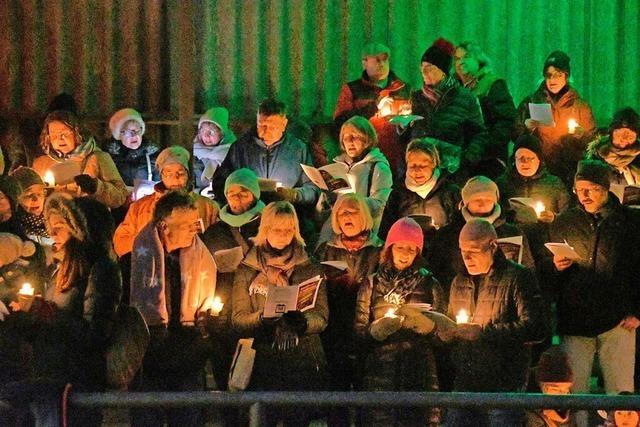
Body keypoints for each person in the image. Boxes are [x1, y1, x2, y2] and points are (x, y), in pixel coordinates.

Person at [11, 193, 122, 426]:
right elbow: (47, 329)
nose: (52, 234)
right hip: (49, 376)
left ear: (81, 229)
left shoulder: (100, 269)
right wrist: (23, 317)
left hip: (76, 381)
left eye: (60, 226)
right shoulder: (58, 269)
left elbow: (95, 333)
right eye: (50, 226)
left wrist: (45, 312)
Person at [549, 160, 640, 427]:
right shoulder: (564, 223)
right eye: (580, 189)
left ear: (606, 188)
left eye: (592, 189)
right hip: (575, 320)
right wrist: (556, 267)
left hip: (618, 320)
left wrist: (638, 310)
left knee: (621, 396)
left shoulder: (629, 223)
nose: (585, 195)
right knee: (575, 396)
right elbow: (546, 273)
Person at [440, 219, 548, 426]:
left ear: (493, 246)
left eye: (473, 250)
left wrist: (483, 333)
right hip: (465, 382)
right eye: (463, 251)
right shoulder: (459, 282)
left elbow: (536, 328)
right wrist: (446, 335)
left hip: (504, 383)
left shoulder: (517, 277)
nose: (467, 258)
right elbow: (453, 324)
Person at [232, 201, 328, 426]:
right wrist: (262, 318)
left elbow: (321, 316)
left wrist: (302, 322)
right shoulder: (249, 268)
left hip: (300, 361)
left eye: (289, 229)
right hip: (263, 362)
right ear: (265, 229)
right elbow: (237, 319)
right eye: (277, 229)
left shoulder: (309, 267)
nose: (284, 235)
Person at [129, 191, 218, 427]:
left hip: (188, 357)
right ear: (164, 226)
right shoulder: (136, 261)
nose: (194, 230)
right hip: (149, 356)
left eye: (196, 223)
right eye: (187, 225)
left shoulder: (201, 259)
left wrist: (203, 336)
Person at [355, 217, 443, 426]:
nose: (404, 254)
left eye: (411, 249)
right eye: (400, 247)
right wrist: (375, 331)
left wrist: (430, 328)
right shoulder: (371, 283)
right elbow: (358, 330)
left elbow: (445, 332)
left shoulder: (430, 283)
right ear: (390, 248)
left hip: (419, 372)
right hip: (380, 372)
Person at [315, 193, 383, 426]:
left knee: (367, 398)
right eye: (342, 212)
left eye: (353, 211)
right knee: (337, 397)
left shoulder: (379, 251)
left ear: (364, 216)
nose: (347, 216)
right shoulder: (326, 250)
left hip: (367, 329)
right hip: (335, 329)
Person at [201, 168, 264, 393]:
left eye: (243, 193)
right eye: (231, 194)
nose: (236, 199)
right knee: (223, 366)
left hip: (254, 305)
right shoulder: (216, 230)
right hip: (224, 306)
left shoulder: (266, 225)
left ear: (255, 195)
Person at [429, 175, 535, 291]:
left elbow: (528, 271)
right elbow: (437, 272)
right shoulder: (448, 234)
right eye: (476, 200)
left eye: (488, 200)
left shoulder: (512, 232)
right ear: (466, 203)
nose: (482, 204)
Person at [113, 145, 219, 258]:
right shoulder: (140, 207)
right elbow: (120, 243)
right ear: (161, 176)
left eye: (180, 172)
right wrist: (153, 241)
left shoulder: (207, 207)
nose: (175, 177)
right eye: (169, 173)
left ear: (187, 174)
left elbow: (217, 241)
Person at [407, 37, 489, 182]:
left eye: (430, 68)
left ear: (443, 71)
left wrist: (467, 160)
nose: (424, 72)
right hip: (419, 173)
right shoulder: (416, 98)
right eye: (422, 67)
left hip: (451, 173)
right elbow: (407, 134)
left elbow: (479, 134)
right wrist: (402, 126)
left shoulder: (465, 97)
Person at [212, 99, 318, 208]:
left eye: (272, 127)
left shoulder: (298, 149)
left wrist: (294, 195)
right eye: (261, 126)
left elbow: (312, 189)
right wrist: (238, 197)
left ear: (284, 124)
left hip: (285, 213)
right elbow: (220, 183)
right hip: (247, 213)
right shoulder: (240, 148)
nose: (266, 133)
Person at [516, 51, 596, 185]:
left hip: (570, 171)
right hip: (540, 172)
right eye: (548, 75)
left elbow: (593, 143)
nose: (552, 80)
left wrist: (582, 136)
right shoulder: (532, 102)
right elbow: (515, 136)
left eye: (558, 75)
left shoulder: (580, 106)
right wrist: (527, 129)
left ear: (566, 76)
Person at [333, 42, 411, 172]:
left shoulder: (404, 89)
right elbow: (340, 124)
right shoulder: (352, 90)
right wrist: (374, 106)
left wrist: (405, 125)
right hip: (364, 160)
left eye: (385, 60)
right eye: (376, 60)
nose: (381, 64)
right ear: (364, 63)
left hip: (398, 158)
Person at [32, 110, 128, 209]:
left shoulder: (98, 158)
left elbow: (120, 196)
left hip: (90, 219)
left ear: (77, 133)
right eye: (54, 134)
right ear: (48, 137)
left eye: (65, 133)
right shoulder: (40, 164)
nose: (60, 138)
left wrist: (96, 187)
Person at [317, 116, 392, 242]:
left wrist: (350, 201)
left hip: (360, 235)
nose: (350, 142)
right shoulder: (337, 165)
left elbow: (380, 205)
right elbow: (321, 211)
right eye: (346, 138)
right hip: (333, 234)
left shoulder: (378, 167)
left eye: (355, 137)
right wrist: (326, 200)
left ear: (367, 139)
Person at [381, 138, 461, 253]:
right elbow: (386, 230)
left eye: (423, 166)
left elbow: (457, 228)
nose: (417, 171)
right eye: (413, 166)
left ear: (434, 165)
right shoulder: (398, 194)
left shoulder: (450, 192)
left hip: (442, 253)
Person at [454, 41, 517, 175]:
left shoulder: (493, 84)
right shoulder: (455, 89)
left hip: (489, 163)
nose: (461, 62)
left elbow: (506, 123)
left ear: (479, 60)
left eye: (466, 57)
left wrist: (482, 146)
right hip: (462, 162)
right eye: (457, 59)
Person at [586, 107, 640, 188]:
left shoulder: (638, 159)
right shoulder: (596, 157)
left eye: (630, 136)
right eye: (619, 134)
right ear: (611, 133)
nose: (623, 140)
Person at [106, 108, 160, 187]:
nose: (134, 135)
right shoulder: (109, 159)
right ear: (118, 135)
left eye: (137, 130)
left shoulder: (154, 156)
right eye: (128, 132)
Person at [526, 345, 574, 427]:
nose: (560, 394)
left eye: (564, 390)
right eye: (555, 389)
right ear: (541, 386)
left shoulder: (569, 408)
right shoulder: (528, 411)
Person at [193, 107, 237, 191]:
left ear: (222, 133)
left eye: (211, 132)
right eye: (202, 131)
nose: (206, 136)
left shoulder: (233, 153)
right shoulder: (195, 152)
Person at [10, 167, 52, 247]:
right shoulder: (14, 230)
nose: (36, 199)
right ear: (17, 199)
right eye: (29, 195)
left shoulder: (58, 218)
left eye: (40, 193)